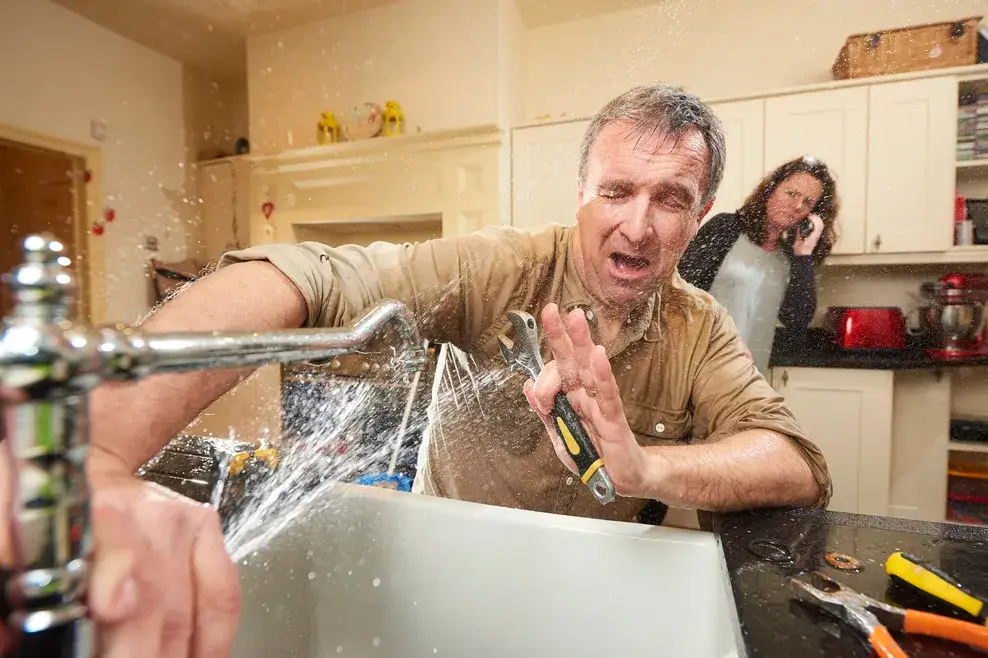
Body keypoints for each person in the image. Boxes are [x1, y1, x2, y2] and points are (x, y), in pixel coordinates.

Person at [6, 84, 832, 656]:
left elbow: (794, 461)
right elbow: (316, 278)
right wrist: (103, 455)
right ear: (580, 190)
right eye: (616, 191)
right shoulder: (502, 268)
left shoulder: (698, 327)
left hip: (597, 588)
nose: (639, 226)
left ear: (702, 212)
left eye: (672, 199)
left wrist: (647, 465)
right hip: (446, 568)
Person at [677, 156, 839, 374]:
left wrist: (803, 255)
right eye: (792, 194)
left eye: (808, 203)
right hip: (697, 368)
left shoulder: (791, 257)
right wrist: (722, 341)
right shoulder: (725, 228)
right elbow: (680, 295)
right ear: (771, 190)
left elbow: (796, 320)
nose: (798, 206)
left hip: (751, 377)